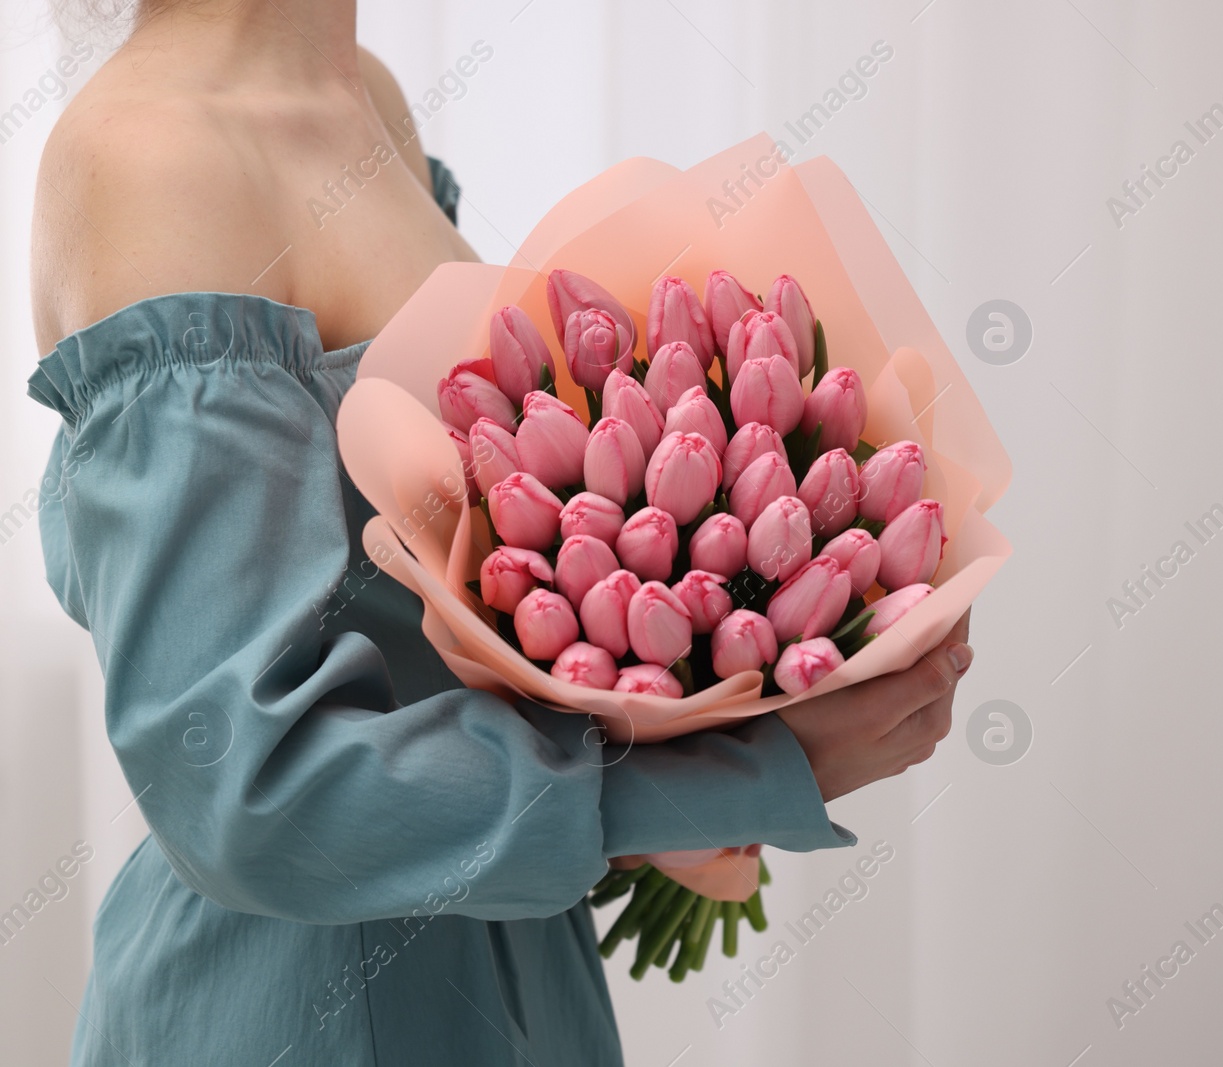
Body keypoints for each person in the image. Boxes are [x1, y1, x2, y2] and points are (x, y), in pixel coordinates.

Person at [26, 2, 974, 1063]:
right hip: (305, 1011)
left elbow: (428, 634)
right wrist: (737, 768)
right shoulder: (159, 156)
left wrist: (678, 723)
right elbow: (243, 790)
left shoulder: (362, 93)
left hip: (510, 973)